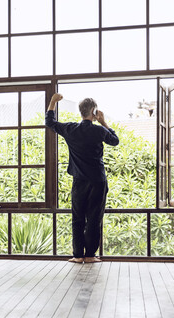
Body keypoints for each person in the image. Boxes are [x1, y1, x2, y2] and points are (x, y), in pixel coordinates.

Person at [45, 93, 119, 263]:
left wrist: (53, 101)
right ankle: (90, 255)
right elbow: (115, 141)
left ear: (80, 112)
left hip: (79, 181)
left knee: (78, 218)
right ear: (94, 111)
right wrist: (103, 122)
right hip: (98, 181)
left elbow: (50, 122)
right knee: (94, 218)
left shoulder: (71, 129)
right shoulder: (99, 130)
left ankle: (78, 255)